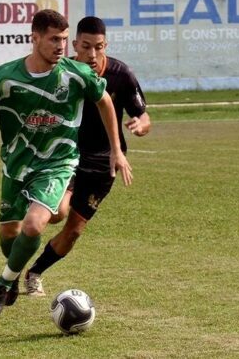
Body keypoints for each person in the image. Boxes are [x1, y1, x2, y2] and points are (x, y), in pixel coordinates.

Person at [0, 9, 132, 318]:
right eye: (53, 39)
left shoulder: (76, 74)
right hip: (16, 166)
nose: (61, 46)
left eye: (64, 40)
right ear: (34, 38)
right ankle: (12, 277)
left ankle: (1, 284)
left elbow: (104, 101)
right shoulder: (5, 77)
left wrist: (116, 150)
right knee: (9, 233)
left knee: (35, 223)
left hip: (58, 163)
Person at [23, 16, 151, 296]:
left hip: (104, 163)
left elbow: (142, 115)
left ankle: (34, 273)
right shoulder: (61, 73)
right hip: (67, 157)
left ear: (106, 45)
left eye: (99, 47)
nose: (93, 54)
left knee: (74, 231)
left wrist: (141, 124)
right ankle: (31, 218)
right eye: (86, 46)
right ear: (75, 45)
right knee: (57, 213)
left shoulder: (121, 74)